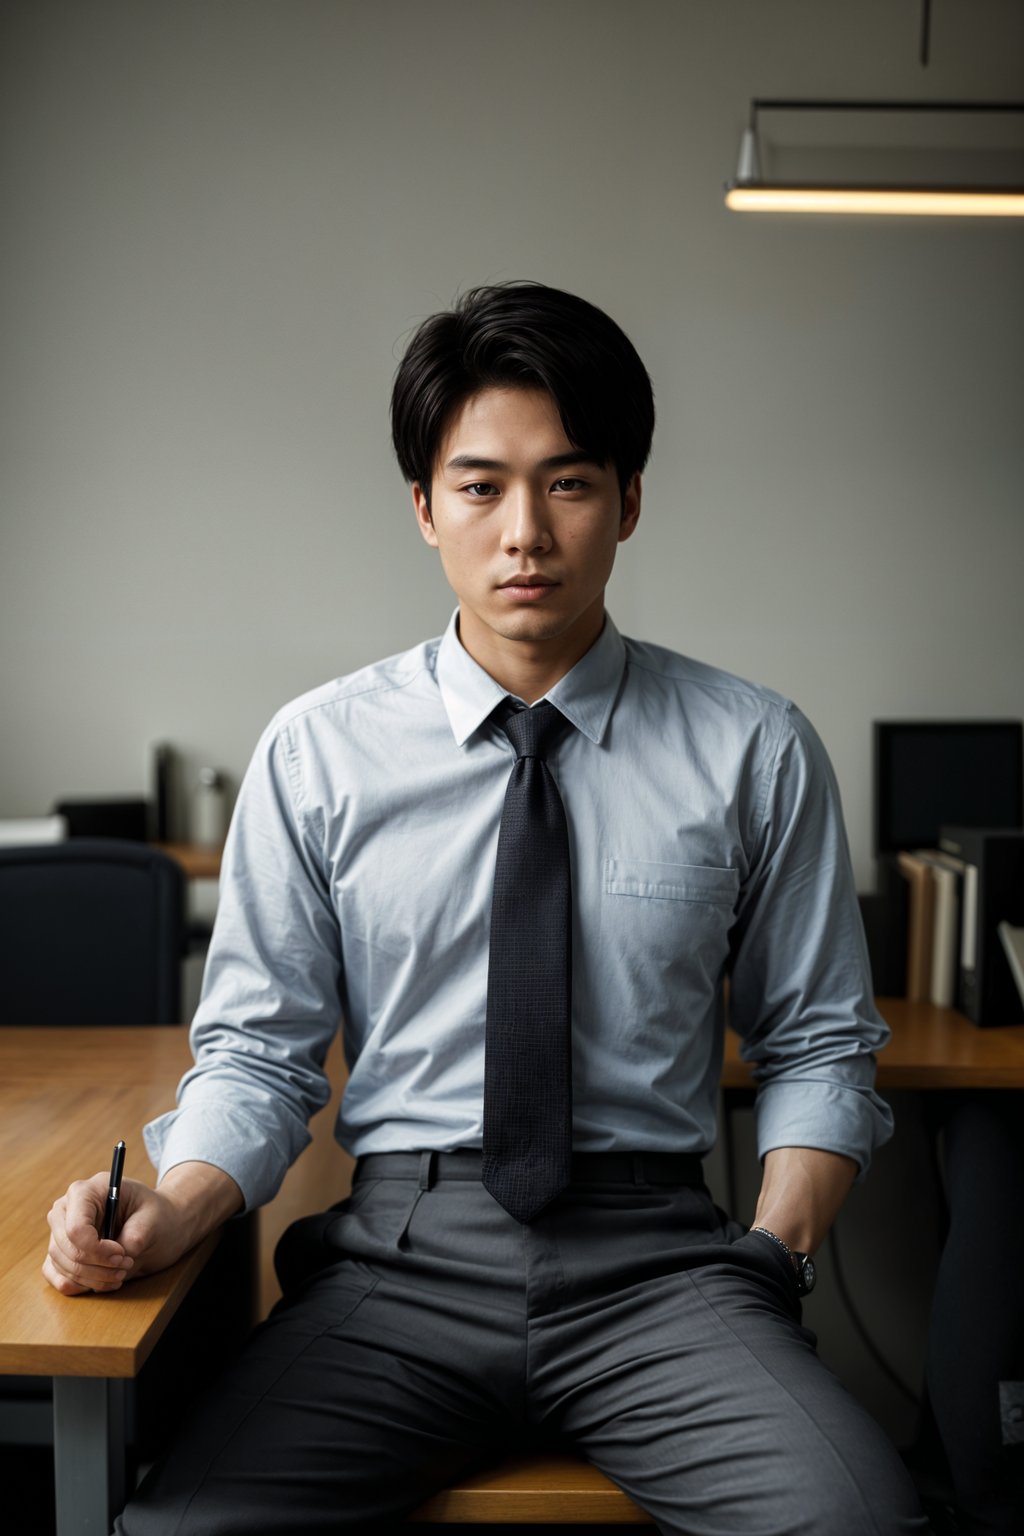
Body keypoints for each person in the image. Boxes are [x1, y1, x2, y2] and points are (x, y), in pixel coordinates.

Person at [44, 282, 929, 1535]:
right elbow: (256, 1056)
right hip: (397, 1264)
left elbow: (820, 1042)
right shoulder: (319, 752)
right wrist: (166, 1211)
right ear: (422, 508)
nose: (525, 533)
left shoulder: (754, 748)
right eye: (479, 487)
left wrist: (775, 1248)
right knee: (182, 1529)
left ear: (629, 500)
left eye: (568, 484)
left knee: (857, 1522)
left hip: (663, 1265)